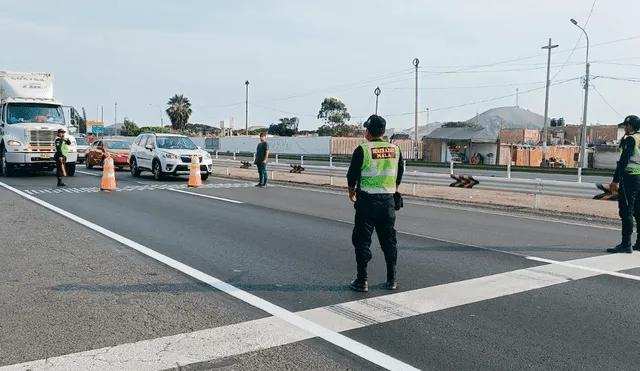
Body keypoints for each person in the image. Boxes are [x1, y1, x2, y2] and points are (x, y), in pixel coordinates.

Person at [346, 114, 404, 292]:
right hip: (388, 203)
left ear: (368, 131)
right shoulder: (396, 150)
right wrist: (391, 190)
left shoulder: (362, 150)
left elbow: (351, 176)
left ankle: (362, 281)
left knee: (362, 242)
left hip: (367, 203)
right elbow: (399, 175)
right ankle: (392, 279)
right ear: (383, 131)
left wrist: (351, 194)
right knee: (389, 242)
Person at [607, 115, 640, 254]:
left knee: (626, 210)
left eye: (625, 126)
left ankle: (626, 244)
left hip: (629, 178)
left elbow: (623, 161)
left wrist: (615, 180)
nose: (624, 129)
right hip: (639, 177)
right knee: (638, 211)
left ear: (631, 126)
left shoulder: (631, 139)